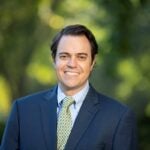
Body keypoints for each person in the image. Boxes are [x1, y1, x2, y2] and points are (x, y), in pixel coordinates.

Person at [0, 24, 137, 150]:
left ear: (92, 62)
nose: (72, 64)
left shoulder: (118, 117)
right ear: (54, 59)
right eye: (64, 56)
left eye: (81, 57)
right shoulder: (22, 110)